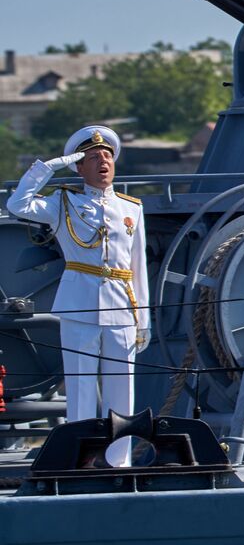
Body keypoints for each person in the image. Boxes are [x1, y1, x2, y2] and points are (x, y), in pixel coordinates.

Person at [6, 126, 148, 468]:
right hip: (79, 304)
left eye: (108, 156)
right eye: (93, 158)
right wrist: (50, 167)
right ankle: (79, 461)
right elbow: (17, 204)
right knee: (81, 388)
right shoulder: (62, 203)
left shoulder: (131, 209)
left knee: (121, 390)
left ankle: (120, 463)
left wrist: (144, 320)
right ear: (79, 168)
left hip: (121, 304)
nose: (103, 162)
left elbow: (138, 267)